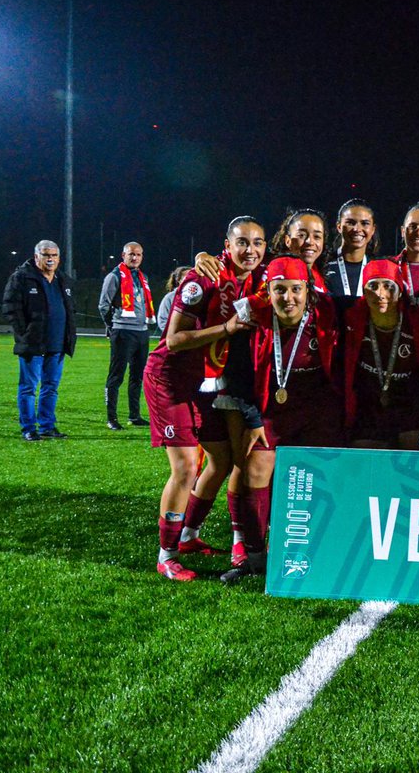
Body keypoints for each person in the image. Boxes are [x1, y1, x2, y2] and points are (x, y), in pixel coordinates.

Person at [144, 216, 267, 580]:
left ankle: (188, 536)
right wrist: (225, 329)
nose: (251, 249)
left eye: (258, 243)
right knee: (185, 467)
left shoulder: (256, 281)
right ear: (226, 245)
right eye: (243, 242)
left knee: (223, 461)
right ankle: (166, 555)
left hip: (209, 383)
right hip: (172, 380)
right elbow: (175, 339)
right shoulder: (202, 279)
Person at [225, 255, 341, 582]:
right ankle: (256, 559)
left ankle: (318, 552)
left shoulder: (327, 319)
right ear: (268, 290)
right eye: (279, 290)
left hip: (318, 416)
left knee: (322, 477)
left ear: (308, 291)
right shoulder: (253, 324)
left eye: (295, 290)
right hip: (271, 415)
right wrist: (253, 419)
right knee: (255, 468)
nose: (288, 298)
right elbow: (237, 377)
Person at [341, 259, 419, 449]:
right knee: (366, 465)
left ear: (400, 291)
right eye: (372, 286)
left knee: (411, 455)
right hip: (368, 404)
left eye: (388, 286)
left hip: (409, 404)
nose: (380, 294)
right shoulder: (352, 321)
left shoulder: (417, 323)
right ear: (363, 291)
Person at [2, 240, 76, 441]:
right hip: (33, 344)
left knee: (51, 387)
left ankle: (47, 426)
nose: (50, 259)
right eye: (46, 255)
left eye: (54, 255)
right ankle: (28, 428)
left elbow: (70, 309)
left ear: (59, 258)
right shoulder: (21, 278)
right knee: (28, 388)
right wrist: (24, 334)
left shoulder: (63, 280)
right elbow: (10, 307)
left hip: (58, 344)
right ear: (36, 257)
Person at [99, 241, 155, 430]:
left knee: (137, 376)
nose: (135, 257)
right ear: (123, 255)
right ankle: (112, 418)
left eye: (138, 254)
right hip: (123, 331)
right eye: (131, 254)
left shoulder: (143, 277)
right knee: (116, 376)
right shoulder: (114, 277)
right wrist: (112, 327)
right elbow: (103, 306)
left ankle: (134, 415)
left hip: (141, 332)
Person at [324, 199, 380, 306]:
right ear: (339, 226)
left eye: (365, 223)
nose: (357, 229)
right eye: (350, 223)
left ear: (373, 229)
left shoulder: (377, 269)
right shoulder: (323, 264)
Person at [271, 208, 329, 293]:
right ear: (288, 241)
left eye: (317, 237)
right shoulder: (277, 272)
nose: (310, 242)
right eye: (301, 235)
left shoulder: (318, 275)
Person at [155, 265, 192, 336]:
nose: (190, 280)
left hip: (192, 339)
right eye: (187, 278)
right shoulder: (170, 297)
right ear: (179, 280)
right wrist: (174, 335)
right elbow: (162, 320)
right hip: (176, 340)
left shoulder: (198, 297)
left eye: (192, 277)